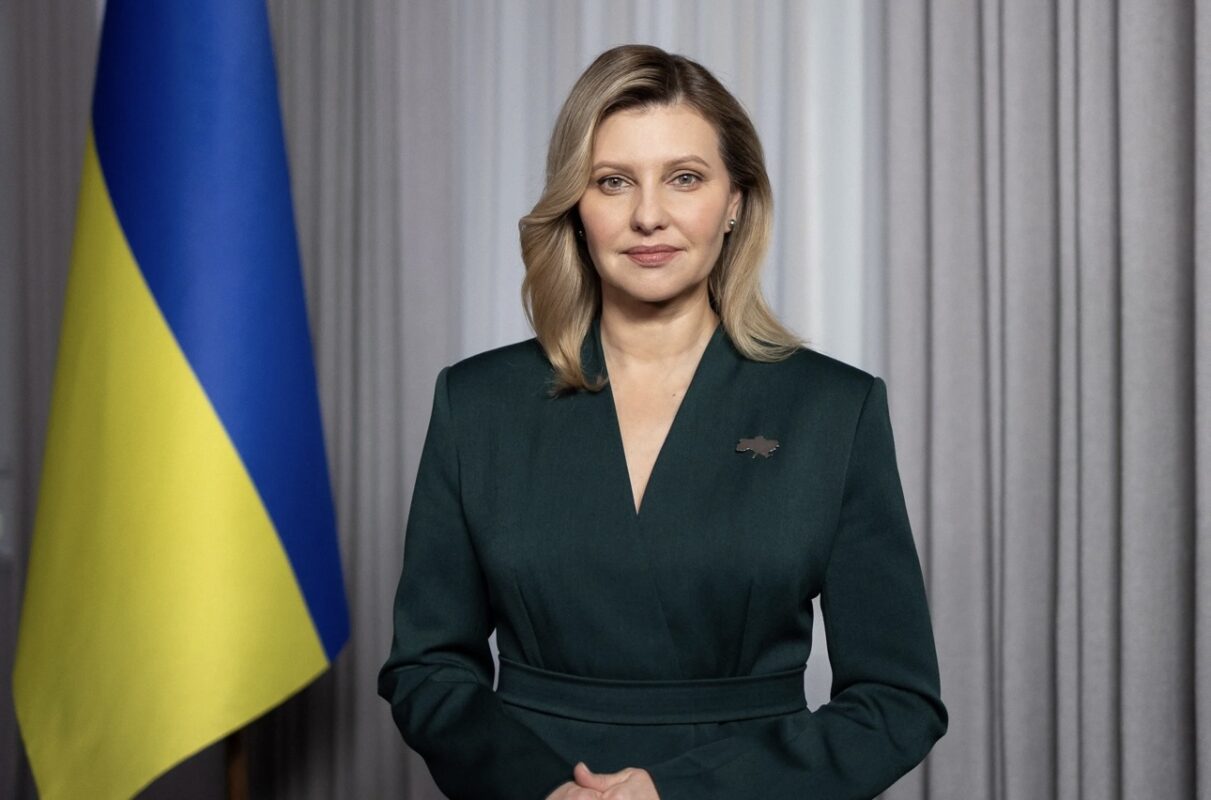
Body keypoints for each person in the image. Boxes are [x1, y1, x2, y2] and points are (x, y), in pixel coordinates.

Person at [378, 44, 947, 800]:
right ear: (575, 206)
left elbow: (896, 702)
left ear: (736, 200)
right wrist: (540, 788)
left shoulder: (833, 409)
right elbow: (427, 668)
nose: (648, 215)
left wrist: (682, 792)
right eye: (613, 181)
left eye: (684, 178)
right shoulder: (476, 402)